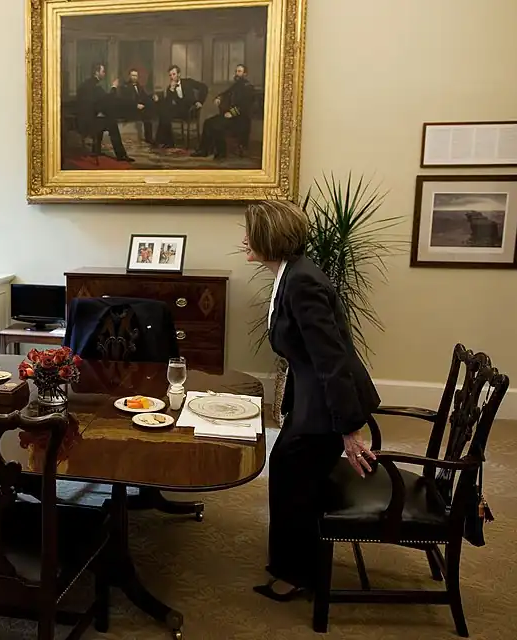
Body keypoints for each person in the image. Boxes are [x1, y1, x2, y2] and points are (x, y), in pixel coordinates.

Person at [242, 200, 380, 602]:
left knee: (290, 470)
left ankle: (297, 574)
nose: (243, 239)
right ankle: (291, 565)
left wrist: (349, 430)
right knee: (286, 465)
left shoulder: (302, 281)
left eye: (250, 230)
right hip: (312, 397)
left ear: (269, 237)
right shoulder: (290, 274)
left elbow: (331, 358)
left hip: (326, 401)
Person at [192, 63, 254, 159]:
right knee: (208, 122)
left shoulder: (248, 87)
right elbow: (226, 93)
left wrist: (232, 113)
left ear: (245, 74)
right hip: (229, 116)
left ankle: (221, 152)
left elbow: (245, 107)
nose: (237, 74)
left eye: (240, 71)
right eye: (236, 71)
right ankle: (203, 150)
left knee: (216, 125)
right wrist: (219, 97)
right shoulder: (236, 85)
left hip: (240, 119)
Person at [75, 63, 134, 162]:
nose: (104, 73)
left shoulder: (86, 84)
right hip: (88, 123)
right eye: (103, 71)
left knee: (103, 118)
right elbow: (107, 100)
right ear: (96, 72)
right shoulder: (95, 86)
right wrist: (114, 87)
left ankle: (96, 150)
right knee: (111, 123)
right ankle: (121, 155)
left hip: (81, 120)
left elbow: (95, 103)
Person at [153, 65, 208, 148]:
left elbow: (204, 87)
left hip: (191, 110)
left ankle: (164, 141)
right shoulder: (170, 87)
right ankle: (168, 142)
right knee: (164, 113)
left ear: (179, 74)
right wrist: (171, 90)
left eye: (174, 74)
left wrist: (200, 101)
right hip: (180, 110)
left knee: (165, 113)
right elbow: (168, 103)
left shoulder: (188, 82)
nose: (172, 77)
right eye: (170, 75)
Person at [118, 68, 154, 144]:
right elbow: (125, 101)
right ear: (129, 76)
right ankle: (149, 138)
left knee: (148, 112)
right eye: (133, 75)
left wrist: (153, 96)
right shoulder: (125, 87)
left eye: (136, 76)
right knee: (146, 114)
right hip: (130, 109)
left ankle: (149, 138)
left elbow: (145, 97)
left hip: (139, 109)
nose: (134, 77)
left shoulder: (139, 87)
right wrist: (136, 105)